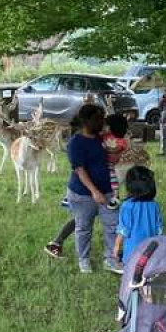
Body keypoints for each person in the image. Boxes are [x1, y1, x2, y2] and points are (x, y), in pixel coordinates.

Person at [65, 104, 121, 274]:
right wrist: (94, 192)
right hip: (82, 194)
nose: (102, 122)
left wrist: (116, 153)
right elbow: (79, 170)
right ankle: (83, 259)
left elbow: (111, 160)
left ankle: (111, 260)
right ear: (87, 121)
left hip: (107, 190)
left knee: (113, 225)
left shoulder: (102, 138)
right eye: (98, 119)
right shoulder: (75, 143)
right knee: (83, 227)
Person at [112, 165, 164, 265]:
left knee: (132, 275)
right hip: (150, 251)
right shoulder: (154, 205)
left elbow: (123, 229)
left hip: (133, 252)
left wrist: (117, 246)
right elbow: (159, 230)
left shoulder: (127, 206)